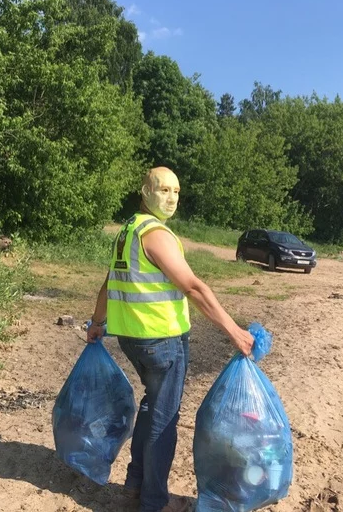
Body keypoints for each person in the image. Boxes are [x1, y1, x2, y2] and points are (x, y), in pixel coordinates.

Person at [87, 166, 254, 512]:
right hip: (163, 344)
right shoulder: (156, 234)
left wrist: (97, 322)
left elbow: (109, 283)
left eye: (176, 192)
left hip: (133, 341)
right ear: (145, 191)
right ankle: (153, 502)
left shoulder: (127, 232)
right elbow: (193, 287)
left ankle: (134, 484)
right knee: (163, 423)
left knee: (152, 409)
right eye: (163, 190)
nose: (172, 198)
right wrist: (234, 331)